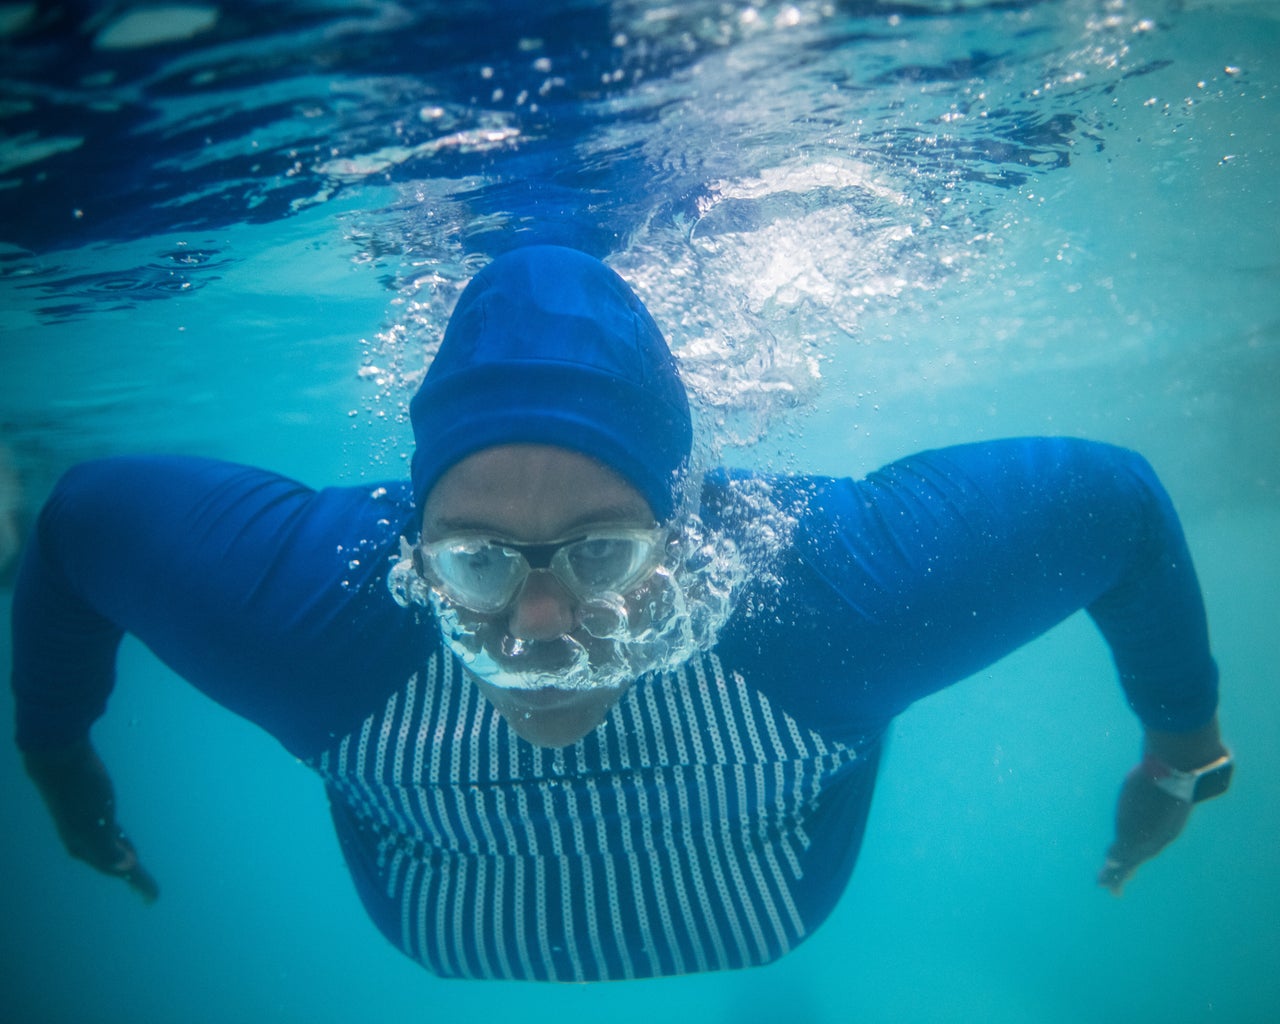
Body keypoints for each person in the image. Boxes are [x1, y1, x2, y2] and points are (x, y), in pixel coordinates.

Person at [10, 245, 1231, 983]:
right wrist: (1173, 753)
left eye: (602, 552)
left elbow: (1116, 506)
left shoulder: (821, 596)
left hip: (478, 909)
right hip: (764, 894)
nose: (540, 624)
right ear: (412, 548)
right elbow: (70, 531)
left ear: (685, 535)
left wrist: (1186, 752)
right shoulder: (319, 608)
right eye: (475, 560)